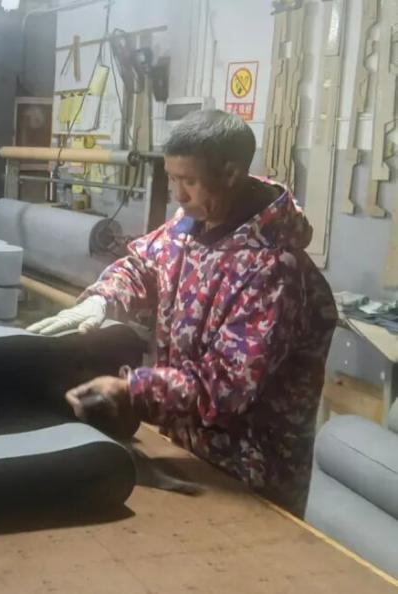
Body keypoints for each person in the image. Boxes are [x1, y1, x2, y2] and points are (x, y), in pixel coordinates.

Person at [29, 110, 337, 515]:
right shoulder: (191, 223)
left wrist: (131, 391)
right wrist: (103, 298)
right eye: (172, 179)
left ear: (230, 173)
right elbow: (144, 265)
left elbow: (224, 386)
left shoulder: (275, 269)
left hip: (250, 474)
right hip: (186, 450)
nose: (178, 194)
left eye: (188, 181)